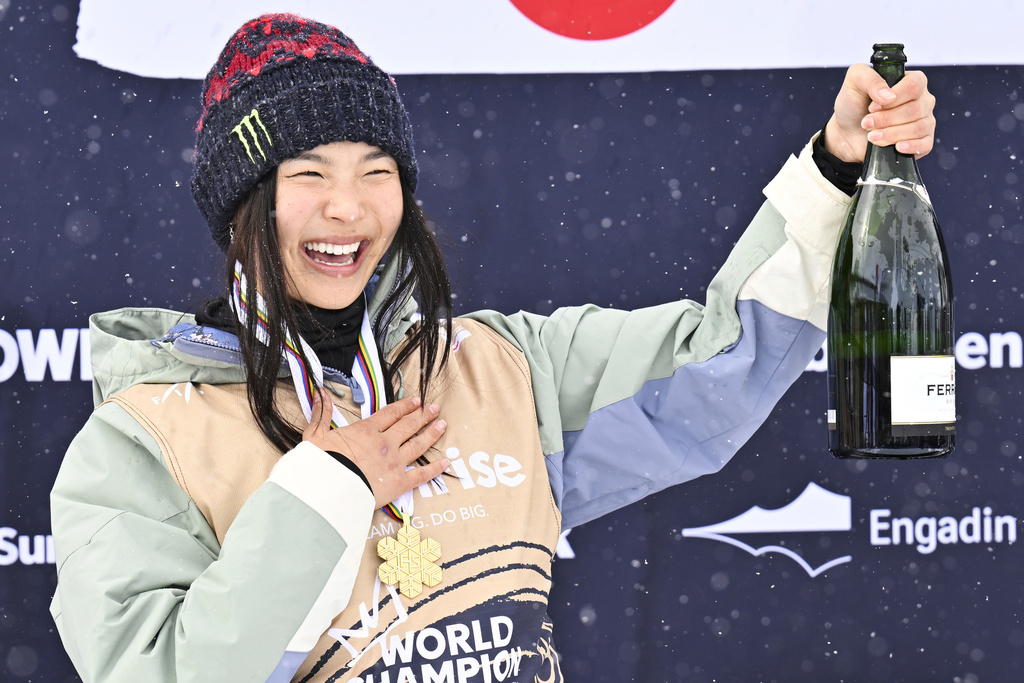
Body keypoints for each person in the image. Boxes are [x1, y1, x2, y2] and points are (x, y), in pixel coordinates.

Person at [49, 13, 936, 683]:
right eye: (308, 174)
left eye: (376, 171)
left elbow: (717, 359)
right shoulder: (144, 441)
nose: (348, 208)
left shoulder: (499, 369)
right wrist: (327, 491)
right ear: (243, 205)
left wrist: (837, 165)